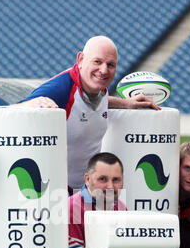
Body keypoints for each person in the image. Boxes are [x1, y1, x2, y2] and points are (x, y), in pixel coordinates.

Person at [15, 35, 160, 192]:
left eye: (110, 65)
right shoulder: (60, 89)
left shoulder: (98, 87)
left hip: (88, 190)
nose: (104, 70)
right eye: (97, 62)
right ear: (81, 59)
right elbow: (11, 112)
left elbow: (95, 102)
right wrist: (27, 104)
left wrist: (125, 103)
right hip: (58, 192)